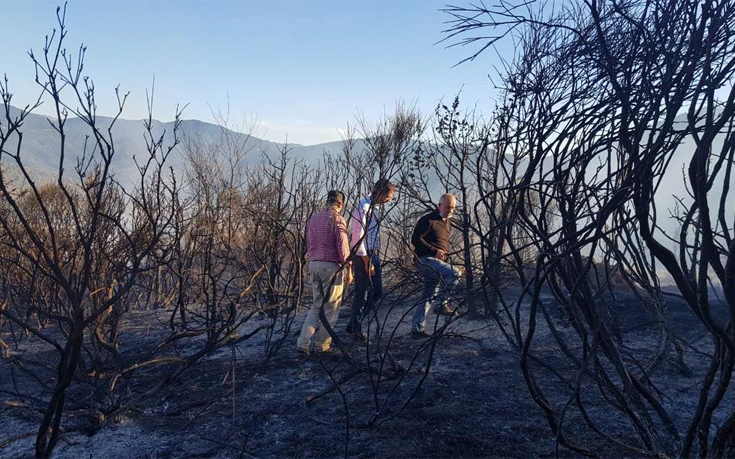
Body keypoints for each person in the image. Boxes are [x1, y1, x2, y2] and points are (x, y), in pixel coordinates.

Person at [296, 190, 353, 355]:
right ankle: (323, 345)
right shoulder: (338, 220)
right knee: (331, 308)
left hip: (314, 265)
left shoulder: (313, 219)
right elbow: (343, 248)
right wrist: (349, 268)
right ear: (340, 204)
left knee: (316, 305)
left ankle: (303, 342)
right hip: (331, 267)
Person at [346, 178, 396, 338]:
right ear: (380, 192)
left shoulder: (373, 208)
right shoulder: (364, 207)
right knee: (362, 292)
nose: (389, 200)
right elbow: (357, 237)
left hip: (372, 253)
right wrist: (366, 260)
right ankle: (356, 329)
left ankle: (353, 325)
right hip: (363, 254)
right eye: (388, 196)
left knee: (377, 292)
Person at [410, 193, 462, 337]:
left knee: (429, 294)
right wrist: (435, 251)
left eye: (453, 208)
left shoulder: (447, 223)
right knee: (454, 273)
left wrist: (443, 256)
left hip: (436, 262)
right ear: (439, 206)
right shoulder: (428, 220)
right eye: (447, 207)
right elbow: (415, 239)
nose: (450, 210)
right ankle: (442, 305)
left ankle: (417, 330)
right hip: (425, 260)